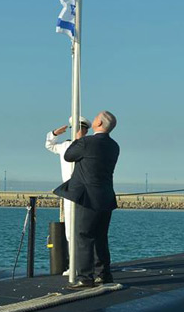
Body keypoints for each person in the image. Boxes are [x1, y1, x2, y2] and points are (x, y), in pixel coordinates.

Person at [53, 111, 120, 288]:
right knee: (100, 237)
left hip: (88, 197)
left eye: (96, 117)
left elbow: (69, 156)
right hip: (105, 196)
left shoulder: (86, 142)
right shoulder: (114, 146)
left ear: (99, 124)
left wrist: (77, 139)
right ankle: (103, 274)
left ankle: (85, 277)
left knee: (83, 235)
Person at [45, 116, 91, 276]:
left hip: (85, 191)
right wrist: (54, 133)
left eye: (81, 128)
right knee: (70, 231)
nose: (78, 131)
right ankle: (74, 265)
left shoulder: (89, 146)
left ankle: (86, 265)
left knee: (84, 229)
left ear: (85, 130)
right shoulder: (65, 146)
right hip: (70, 191)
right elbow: (49, 145)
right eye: (76, 128)